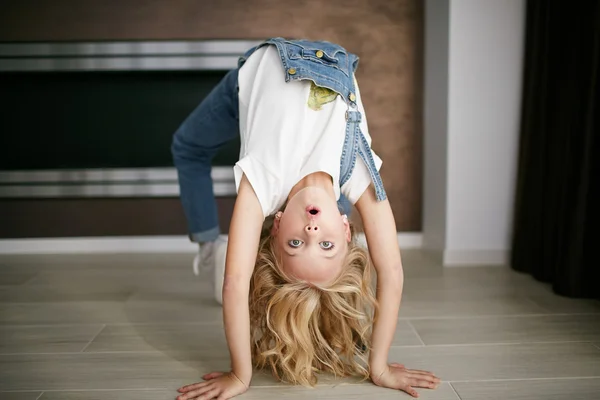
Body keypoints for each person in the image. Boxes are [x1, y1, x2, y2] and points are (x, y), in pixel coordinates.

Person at [171, 37, 440, 400]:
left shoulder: (263, 183)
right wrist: (379, 367)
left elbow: (235, 281)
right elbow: (391, 271)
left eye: (296, 244)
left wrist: (240, 374)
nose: (312, 230)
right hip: (330, 57)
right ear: (347, 231)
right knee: (330, 205)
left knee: (186, 146)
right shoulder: (356, 172)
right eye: (325, 245)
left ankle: (208, 245)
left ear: (277, 225)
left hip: (249, 78)